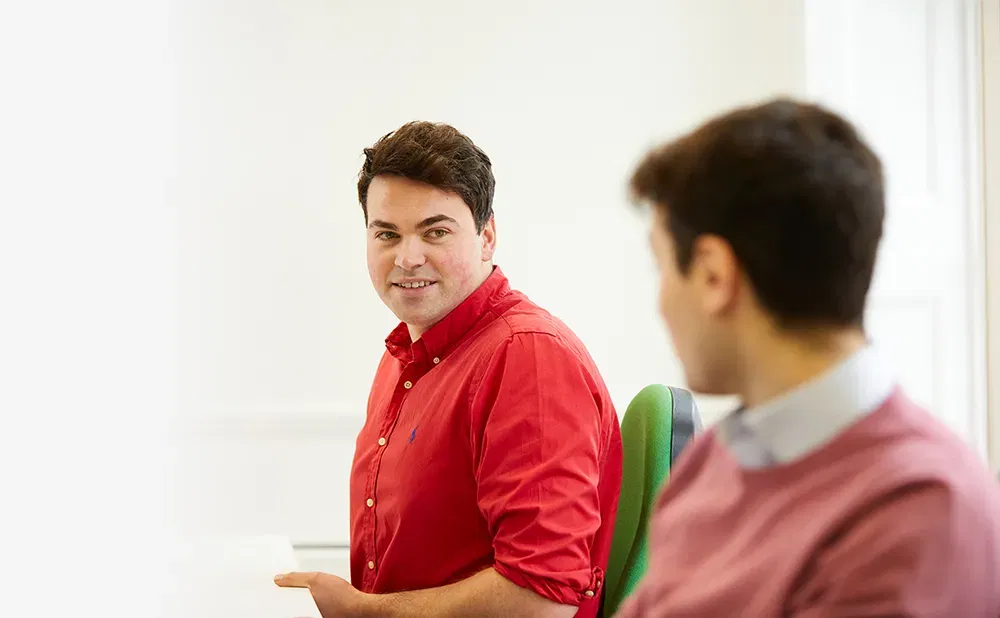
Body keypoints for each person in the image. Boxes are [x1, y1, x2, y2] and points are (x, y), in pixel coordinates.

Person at [615, 98, 1000, 616]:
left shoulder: (918, 512)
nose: (660, 300)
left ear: (712, 275)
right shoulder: (714, 459)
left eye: (661, 267)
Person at [276, 121, 623, 618]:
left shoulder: (528, 357)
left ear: (487, 236)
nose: (408, 257)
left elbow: (540, 600)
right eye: (387, 234)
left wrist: (363, 613)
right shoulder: (405, 356)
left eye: (435, 231)